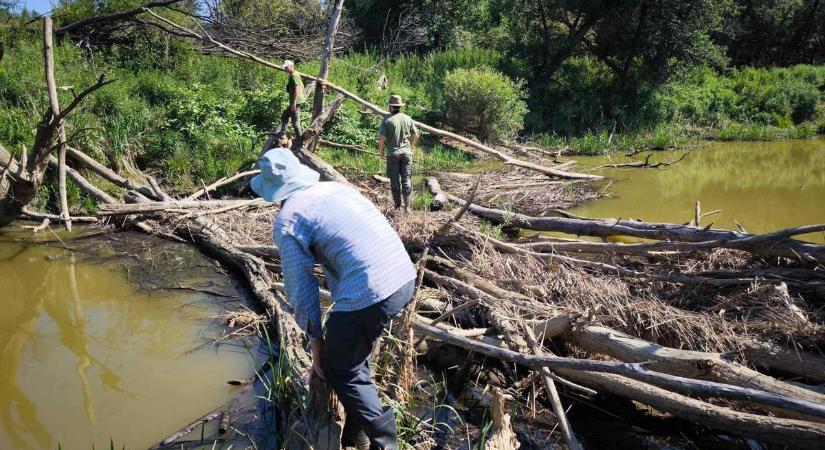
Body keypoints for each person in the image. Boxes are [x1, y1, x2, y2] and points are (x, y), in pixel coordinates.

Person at [250, 148, 416, 450]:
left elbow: (301, 289)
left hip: (371, 292)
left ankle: (385, 444)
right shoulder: (333, 187)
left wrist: (316, 343)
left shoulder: (288, 221)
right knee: (353, 358)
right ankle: (358, 434)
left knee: (338, 368)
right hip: (403, 276)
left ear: (273, 191)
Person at [377, 95, 419, 212]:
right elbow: (416, 135)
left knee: (395, 182)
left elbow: (381, 139)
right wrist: (411, 147)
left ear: (391, 106)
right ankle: (408, 208)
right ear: (399, 106)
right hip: (406, 154)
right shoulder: (407, 118)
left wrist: (381, 153)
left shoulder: (387, 120)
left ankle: (397, 208)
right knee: (406, 180)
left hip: (393, 155)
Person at [274, 60, 306, 145]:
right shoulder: (294, 74)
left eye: (286, 67)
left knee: (295, 122)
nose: (285, 69)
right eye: (284, 67)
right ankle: (283, 134)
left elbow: (297, 88)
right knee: (285, 116)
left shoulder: (294, 75)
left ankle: (300, 141)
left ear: (291, 66)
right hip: (296, 101)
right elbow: (301, 86)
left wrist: (294, 102)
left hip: (296, 101)